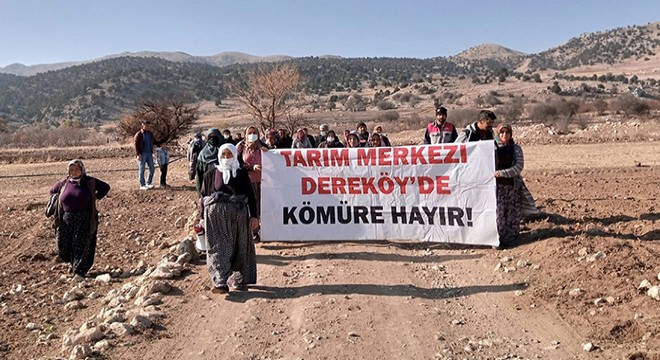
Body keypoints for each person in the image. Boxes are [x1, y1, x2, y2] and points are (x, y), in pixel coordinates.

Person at [200, 144, 259, 293]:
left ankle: (236, 279)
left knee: (239, 247)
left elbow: (251, 196)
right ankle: (220, 282)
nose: (226, 158)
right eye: (224, 155)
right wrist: (201, 217)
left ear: (234, 155)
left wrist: (254, 216)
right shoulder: (210, 174)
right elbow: (203, 197)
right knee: (218, 248)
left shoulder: (241, 174)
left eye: (229, 155)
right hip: (215, 219)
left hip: (237, 217)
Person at [49, 160, 110, 276]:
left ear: (82, 170)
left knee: (81, 245)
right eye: (71, 169)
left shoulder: (89, 181)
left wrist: (96, 197)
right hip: (66, 219)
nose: (74, 172)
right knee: (63, 246)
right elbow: (52, 191)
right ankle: (72, 263)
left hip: (84, 218)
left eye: (76, 169)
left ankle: (79, 270)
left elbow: (105, 187)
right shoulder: (63, 183)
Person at [494, 124, 524, 248]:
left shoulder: (516, 148)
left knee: (512, 213)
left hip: (512, 186)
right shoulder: (491, 148)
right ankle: (497, 239)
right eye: (502, 133)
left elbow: (519, 167)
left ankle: (511, 240)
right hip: (496, 188)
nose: (504, 135)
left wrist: (503, 173)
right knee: (498, 214)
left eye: (507, 133)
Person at [236, 126, 266, 242]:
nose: (252, 135)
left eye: (254, 133)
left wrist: (264, 149)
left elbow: (272, 156)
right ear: (245, 134)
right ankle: (253, 231)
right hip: (247, 182)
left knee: (262, 206)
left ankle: (264, 230)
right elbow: (238, 164)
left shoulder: (262, 146)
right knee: (250, 206)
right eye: (250, 133)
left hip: (263, 182)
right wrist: (252, 167)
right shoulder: (241, 147)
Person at [196, 128, 225, 193]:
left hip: (225, 189)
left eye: (214, 136)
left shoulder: (226, 152)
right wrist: (200, 193)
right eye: (210, 137)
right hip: (208, 187)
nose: (212, 139)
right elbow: (199, 175)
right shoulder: (203, 154)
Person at [134, 120, 155, 190]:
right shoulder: (139, 134)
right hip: (142, 154)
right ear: (143, 125)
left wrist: (161, 144)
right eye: (147, 125)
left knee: (152, 168)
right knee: (142, 169)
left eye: (149, 125)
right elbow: (136, 145)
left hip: (149, 153)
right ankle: (142, 185)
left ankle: (148, 183)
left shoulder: (150, 134)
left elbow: (154, 141)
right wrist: (138, 154)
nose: (148, 127)